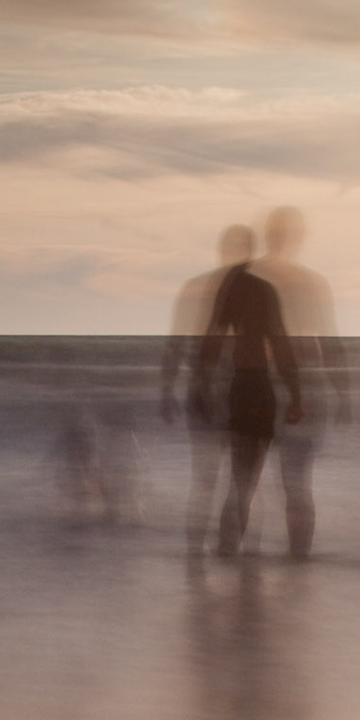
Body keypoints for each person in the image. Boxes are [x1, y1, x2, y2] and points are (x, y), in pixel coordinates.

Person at [191, 241, 303, 557]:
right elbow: (280, 342)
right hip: (259, 386)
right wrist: (295, 393)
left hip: (242, 387)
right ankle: (239, 551)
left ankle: (230, 549)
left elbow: (213, 339)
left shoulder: (230, 290)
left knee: (240, 477)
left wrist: (202, 384)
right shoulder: (263, 291)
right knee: (248, 478)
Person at [249, 207, 350, 558]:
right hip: (306, 387)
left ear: (267, 234)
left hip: (259, 387)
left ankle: (247, 571)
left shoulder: (251, 278)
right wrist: (343, 394)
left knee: (247, 482)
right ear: (298, 238)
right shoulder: (311, 282)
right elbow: (330, 342)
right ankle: (298, 562)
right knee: (296, 484)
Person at [162, 225, 251, 555]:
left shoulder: (196, 287)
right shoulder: (242, 293)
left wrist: (168, 390)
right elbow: (176, 344)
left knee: (208, 480)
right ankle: (224, 556)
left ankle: (199, 557)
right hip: (228, 395)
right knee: (234, 481)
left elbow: (175, 345)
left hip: (212, 394)